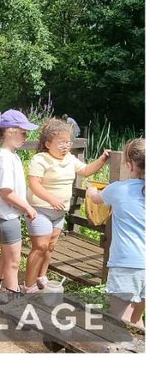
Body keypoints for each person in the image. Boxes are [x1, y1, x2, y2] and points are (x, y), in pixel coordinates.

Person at [26, 118, 111, 292]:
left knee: (50, 246)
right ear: (48, 144)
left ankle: (41, 276)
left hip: (59, 212)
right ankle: (29, 285)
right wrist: (51, 199)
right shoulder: (40, 159)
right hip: (40, 210)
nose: (66, 146)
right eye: (61, 142)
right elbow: (34, 184)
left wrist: (102, 159)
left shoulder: (70, 159)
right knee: (40, 246)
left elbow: (85, 170)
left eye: (68, 142)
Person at [86, 137, 144, 326]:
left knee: (119, 323)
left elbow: (96, 198)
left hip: (127, 264)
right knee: (136, 320)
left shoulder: (118, 189)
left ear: (130, 165)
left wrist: (91, 190)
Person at [0, 109, 38, 299]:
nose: (26, 137)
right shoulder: (5, 159)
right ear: (10, 132)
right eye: (23, 133)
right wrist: (27, 207)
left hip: (4, 214)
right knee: (14, 262)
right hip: (6, 217)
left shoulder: (10, 155)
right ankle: (12, 300)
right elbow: (6, 192)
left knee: (6, 257)